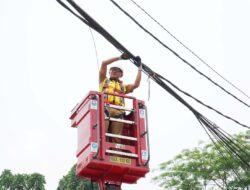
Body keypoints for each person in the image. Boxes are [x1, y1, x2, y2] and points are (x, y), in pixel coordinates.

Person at [99, 53, 142, 143]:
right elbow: (104, 63)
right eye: (113, 70)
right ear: (109, 72)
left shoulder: (123, 87)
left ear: (121, 74)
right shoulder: (103, 80)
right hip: (106, 109)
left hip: (119, 112)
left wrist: (139, 68)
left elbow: (136, 84)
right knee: (103, 133)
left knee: (116, 138)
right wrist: (119, 58)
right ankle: (103, 154)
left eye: (117, 71)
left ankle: (115, 155)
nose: (115, 71)